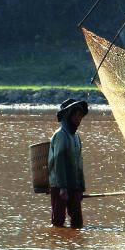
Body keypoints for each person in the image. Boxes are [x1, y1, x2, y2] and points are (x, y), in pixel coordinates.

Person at [48, 97, 88, 229]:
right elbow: (58, 163)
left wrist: (81, 187)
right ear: (68, 116)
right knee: (58, 221)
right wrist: (63, 187)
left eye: (80, 117)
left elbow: (79, 163)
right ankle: (59, 246)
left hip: (74, 185)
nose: (79, 120)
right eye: (76, 116)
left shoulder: (76, 137)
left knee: (77, 221)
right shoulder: (60, 135)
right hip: (60, 187)